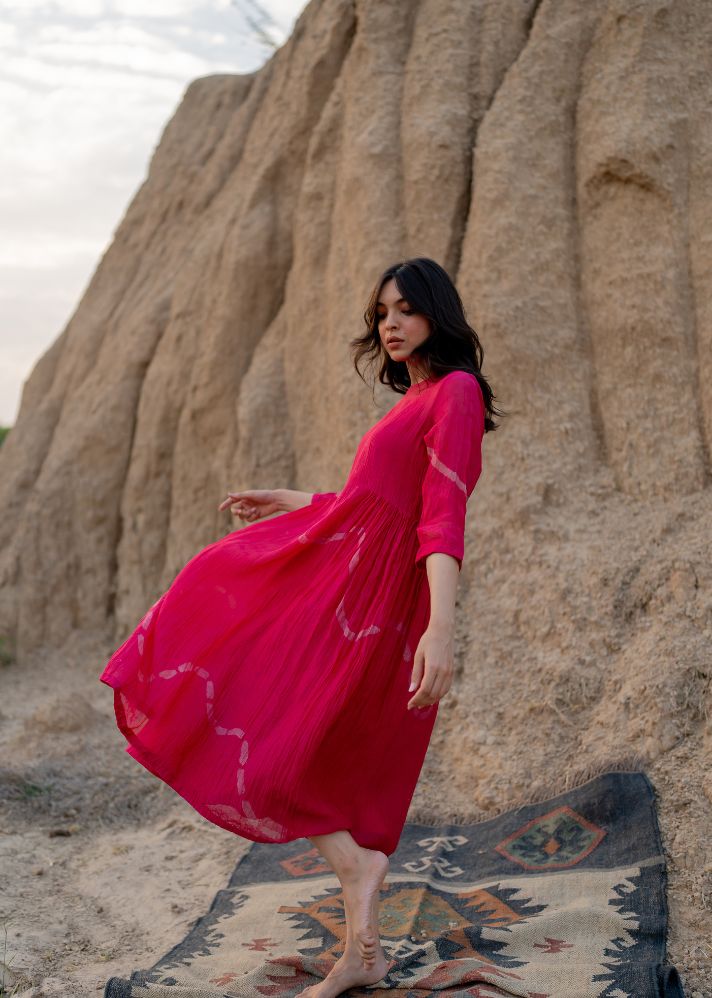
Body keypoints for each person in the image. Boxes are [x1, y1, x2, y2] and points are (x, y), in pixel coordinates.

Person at [99, 256, 501, 998]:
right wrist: (289, 498)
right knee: (283, 731)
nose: (391, 323)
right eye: (383, 311)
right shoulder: (412, 400)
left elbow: (441, 519)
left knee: (287, 745)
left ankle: (359, 883)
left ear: (437, 314)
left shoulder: (458, 393)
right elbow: (367, 501)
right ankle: (363, 937)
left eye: (408, 309)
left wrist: (441, 628)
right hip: (346, 584)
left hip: (372, 604)